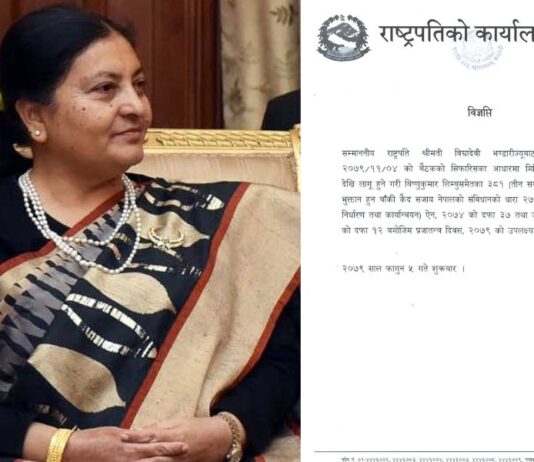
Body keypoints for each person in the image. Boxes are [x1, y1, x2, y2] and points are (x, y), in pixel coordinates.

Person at [0, 6, 300, 462]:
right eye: (106, 89)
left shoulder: (205, 215)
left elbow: (289, 354)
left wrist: (228, 431)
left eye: (139, 85)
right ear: (34, 116)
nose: (137, 107)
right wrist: (67, 447)